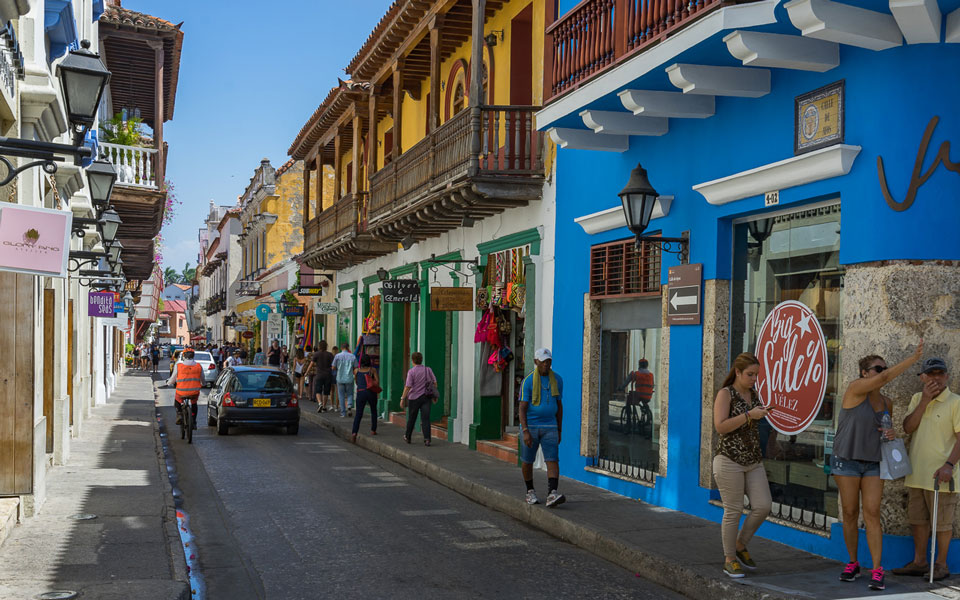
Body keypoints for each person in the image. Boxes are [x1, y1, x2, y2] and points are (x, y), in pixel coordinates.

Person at [832, 343, 924, 590]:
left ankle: (876, 568)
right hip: (846, 460)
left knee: (872, 512)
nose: (883, 372)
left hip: (873, 461)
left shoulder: (886, 403)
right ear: (864, 373)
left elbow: (884, 431)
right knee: (850, 512)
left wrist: (890, 433)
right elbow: (885, 378)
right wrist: (913, 358)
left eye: (884, 368)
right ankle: (853, 563)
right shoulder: (855, 389)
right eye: (878, 368)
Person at [893, 357, 960, 582]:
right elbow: (908, 427)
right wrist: (924, 401)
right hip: (917, 473)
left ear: (947, 376)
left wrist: (949, 465)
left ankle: (941, 564)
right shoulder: (916, 399)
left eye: (940, 373)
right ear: (923, 377)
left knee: (942, 523)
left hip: (941, 476)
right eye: (931, 374)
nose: (936, 378)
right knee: (918, 520)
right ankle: (919, 562)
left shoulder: (956, 402)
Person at [712, 352, 772, 579]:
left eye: (756, 375)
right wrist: (749, 415)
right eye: (750, 374)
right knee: (733, 510)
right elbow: (720, 426)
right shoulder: (725, 394)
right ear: (737, 372)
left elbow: (757, 423)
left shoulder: (753, 394)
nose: (754, 379)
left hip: (753, 460)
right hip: (729, 459)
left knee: (763, 506)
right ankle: (729, 559)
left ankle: (740, 544)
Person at [519, 348, 565, 508]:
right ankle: (530, 491)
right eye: (543, 361)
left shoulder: (557, 380)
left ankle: (552, 493)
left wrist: (559, 429)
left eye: (548, 361)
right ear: (536, 361)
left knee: (552, 459)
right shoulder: (528, 381)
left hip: (550, 425)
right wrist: (525, 430)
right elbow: (522, 408)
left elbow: (559, 405)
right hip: (531, 426)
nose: (546, 364)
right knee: (527, 460)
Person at [400, 352, 438, 446]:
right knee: (426, 419)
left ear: (412, 360)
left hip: (414, 398)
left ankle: (408, 437)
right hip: (426, 398)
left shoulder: (411, 372)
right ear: (421, 360)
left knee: (412, 418)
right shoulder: (428, 369)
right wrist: (434, 395)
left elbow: (408, 386)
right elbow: (435, 383)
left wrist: (402, 398)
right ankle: (427, 439)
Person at [167, 348, 201, 428]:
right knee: (194, 404)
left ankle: (179, 414)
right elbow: (202, 379)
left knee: (177, 400)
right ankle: (193, 420)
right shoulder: (198, 366)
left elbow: (173, 378)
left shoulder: (179, 366)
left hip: (181, 392)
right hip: (194, 392)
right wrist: (204, 383)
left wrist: (168, 383)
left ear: (183, 356)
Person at [350, 356, 380, 443]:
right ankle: (373, 430)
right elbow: (377, 382)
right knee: (373, 411)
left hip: (361, 392)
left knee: (358, 414)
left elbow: (356, 382)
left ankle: (354, 433)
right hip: (371, 392)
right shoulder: (372, 370)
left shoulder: (356, 371)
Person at [307, 341, 335, 413]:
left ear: (319, 346)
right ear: (326, 346)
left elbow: (311, 364)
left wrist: (306, 372)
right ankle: (324, 406)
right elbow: (333, 366)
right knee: (326, 392)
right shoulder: (330, 355)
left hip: (319, 375)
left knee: (318, 391)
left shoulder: (316, 354)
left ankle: (320, 403)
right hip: (328, 375)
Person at [332, 343, 357, 418]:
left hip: (340, 378)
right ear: (348, 348)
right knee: (350, 394)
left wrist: (338, 368)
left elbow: (333, 367)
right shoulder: (352, 356)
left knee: (341, 395)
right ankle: (349, 406)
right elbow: (356, 367)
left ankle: (343, 413)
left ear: (341, 348)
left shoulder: (337, 356)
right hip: (349, 378)